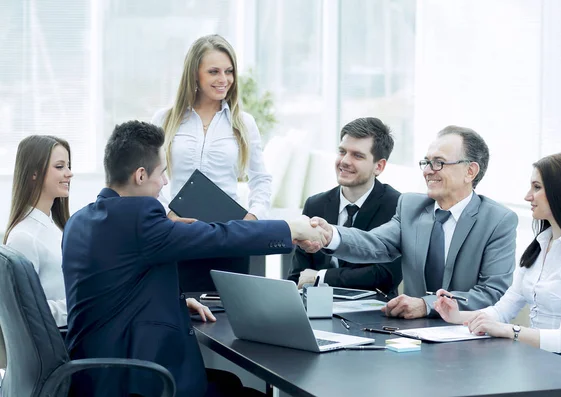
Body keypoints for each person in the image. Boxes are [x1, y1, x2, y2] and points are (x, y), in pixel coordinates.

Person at [62, 121, 324, 397]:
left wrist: (167, 300)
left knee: (230, 384)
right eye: (162, 173)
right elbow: (221, 235)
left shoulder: (79, 221)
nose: (165, 182)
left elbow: (112, 287)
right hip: (135, 381)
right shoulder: (139, 221)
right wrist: (290, 229)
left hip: (94, 377)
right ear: (140, 175)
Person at [302, 125, 518, 319]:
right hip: (412, 334)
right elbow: (375, 243)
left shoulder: (498, 221)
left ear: (470, 171)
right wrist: (330, 235)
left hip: (469, 335)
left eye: (438, 163)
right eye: (426, 162)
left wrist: (427, 305)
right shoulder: (411, 206)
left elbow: (492, 293)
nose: (427, 171)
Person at [434, 152, 561, 367]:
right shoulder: (539, 247)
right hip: (536, 362)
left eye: (537, 187)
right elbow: (503, 310)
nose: (528, 196)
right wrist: (456, 315)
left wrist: (509, 331)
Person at [151, 34, 271, 293]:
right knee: (183, 312)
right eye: (214, 71)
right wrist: (167, 215)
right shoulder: (164, 119)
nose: (224, 79)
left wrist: (253, 217)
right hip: (179, 233)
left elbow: (261, 179)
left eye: (229, 72)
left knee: (228, 316)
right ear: (195, 74)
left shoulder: (243, 122)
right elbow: (148, 179)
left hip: (228, 235)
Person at [288, 117, 402, 296]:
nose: (344, 161)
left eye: (357, 155)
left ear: (378, 166)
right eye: (342, 152)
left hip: (373, 314)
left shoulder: (397, 206)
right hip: (316, 308)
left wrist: (321, 277)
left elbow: (385, 276)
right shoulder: (315, 204)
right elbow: (298, 275)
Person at [4, 135, 73, 327]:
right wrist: (81, 305)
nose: (69, 173)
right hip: (62, 342)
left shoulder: (56, 227)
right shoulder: (24, 238)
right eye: (60, 167)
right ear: (34, 173)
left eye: (68, 166)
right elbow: (25, 312)